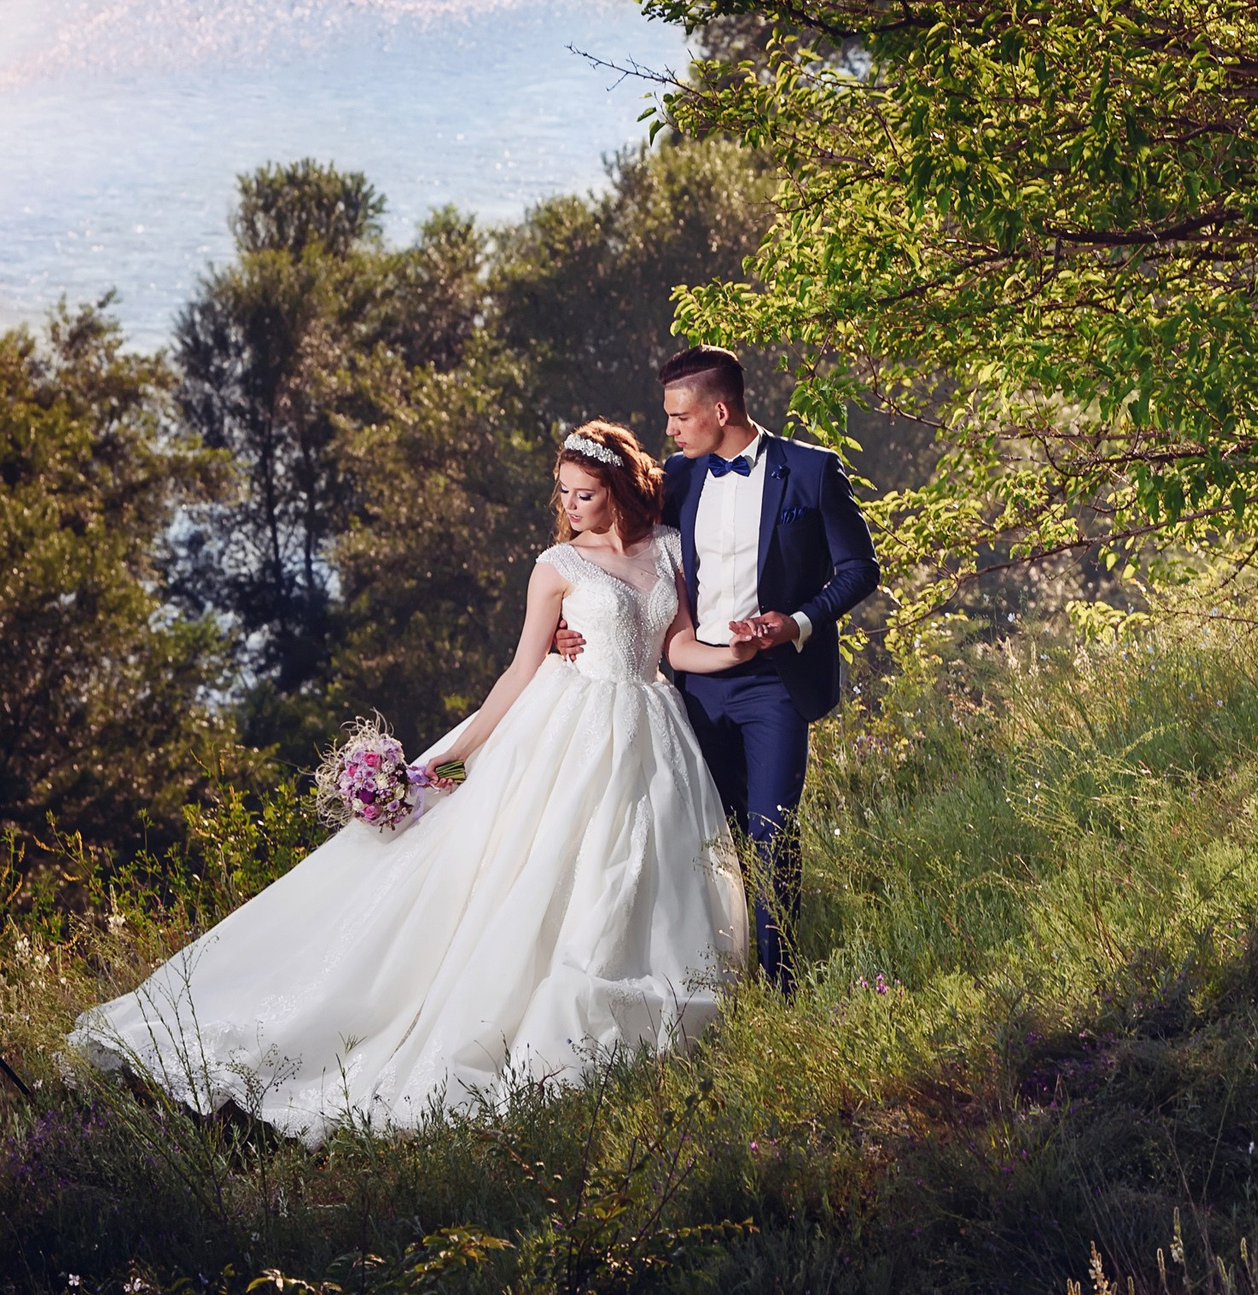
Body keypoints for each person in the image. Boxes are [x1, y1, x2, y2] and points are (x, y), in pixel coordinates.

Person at [71, 422, 752, 1144]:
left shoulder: (670, 547)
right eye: (563, 493)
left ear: (617, 488)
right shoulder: (557, 565)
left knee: (644, 866)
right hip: (573, 725)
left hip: (652, 727)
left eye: (584, 494)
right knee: (540, 866)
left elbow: (676, 646)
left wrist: (742, 645)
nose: (571, 505)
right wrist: (452, 752)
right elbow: (520, 671)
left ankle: (635, 995)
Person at [556, 346, 878, 988]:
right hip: (692, 687)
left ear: (719, 409)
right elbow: (611, 548)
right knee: (707, 834)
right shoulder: (676, 479)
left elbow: (860, 569)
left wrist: (797, 622)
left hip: (777, 684)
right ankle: (715, 980)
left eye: (679, 417)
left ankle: (781, 986)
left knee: (771, 830)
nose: (669, 431)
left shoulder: (811, 472)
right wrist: (569, 627)